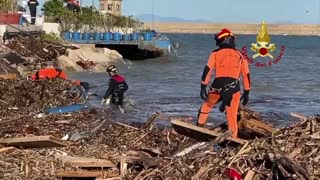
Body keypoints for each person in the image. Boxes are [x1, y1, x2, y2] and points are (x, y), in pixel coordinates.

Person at [196, 28, 251, 138]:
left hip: (217, 86)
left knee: (206, 106)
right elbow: (246, 75)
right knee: (232, 116)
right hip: (233, 88)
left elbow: (208, 70)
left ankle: (198, 129)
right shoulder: (240, 55)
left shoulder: (215, 53)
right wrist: (246, 92)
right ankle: (233, 139)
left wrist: (203, 85)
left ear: (220, 41)